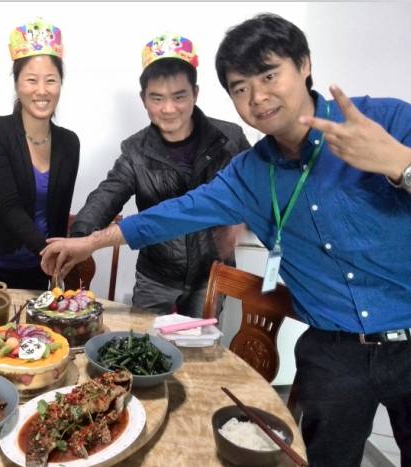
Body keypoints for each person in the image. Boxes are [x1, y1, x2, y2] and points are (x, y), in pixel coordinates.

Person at [40, 13, 411, 467]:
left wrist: (401, 165)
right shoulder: (248, 172)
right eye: (240, 87)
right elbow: (174, 213)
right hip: (331, 352)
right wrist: (90, 241)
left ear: (305, 64)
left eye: (269, 75)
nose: (257, 97)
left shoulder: (386, 121)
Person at [69, 32, 250, 316]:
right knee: (141, 341)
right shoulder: (135, 150)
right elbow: (107, 195)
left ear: (195, 93)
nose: (168, 109)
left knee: (200, 343)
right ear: (144, 99)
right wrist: (80, 236)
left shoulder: (230, 138)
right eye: (157, 98)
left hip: (212, 274)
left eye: (179, 96)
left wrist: (242, 222)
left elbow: (257, 190)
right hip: (156, 276)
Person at [0, 18, 79, 290]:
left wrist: (58, 263)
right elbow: (7, 205)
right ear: (17, 83)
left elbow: (59, 212)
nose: (42, 90)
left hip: (37, 267)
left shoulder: (69, 143)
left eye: (51, 80)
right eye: (31, 80)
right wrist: (50, 252)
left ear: (60, 84)